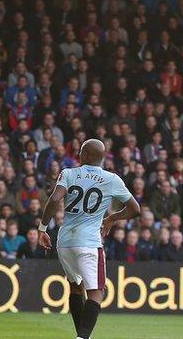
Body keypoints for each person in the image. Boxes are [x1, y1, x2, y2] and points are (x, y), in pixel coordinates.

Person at [38, 139, 140, 339]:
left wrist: (42, 228)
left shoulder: (68, 173)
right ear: (102, 158)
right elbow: (135, 209)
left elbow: (55, 200)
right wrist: (112, 218)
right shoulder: (112, 179)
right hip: (89, 243)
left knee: (76, 287)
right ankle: (83, 337)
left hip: (65, 241)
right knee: (96, 293)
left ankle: (82, 336)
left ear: (83, 156)